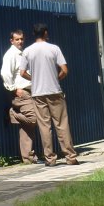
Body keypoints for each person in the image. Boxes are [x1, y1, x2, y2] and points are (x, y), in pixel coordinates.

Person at [20, 23, 79, 166]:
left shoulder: (27, 51)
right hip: (54, 91)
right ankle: (70, 157)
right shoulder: (54, 48)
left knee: (44, 126)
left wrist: (34, 79)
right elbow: (64, 69)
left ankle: (50, 159)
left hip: (37, 93)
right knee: (62, 124)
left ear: (34, 34)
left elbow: (22, 72)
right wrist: (56, 77)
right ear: (45, 33)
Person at [0, 29, 39, 164]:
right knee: (33, 119)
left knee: (27, 127)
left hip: (30, 92)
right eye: (17, 39)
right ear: (11, 41)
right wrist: (14, 89)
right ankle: (13, 114)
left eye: (21, 39)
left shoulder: (22, 53)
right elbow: (5, 73)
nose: (20, 41)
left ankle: (28, 157)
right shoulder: (10, 54)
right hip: (21, 93)